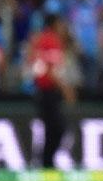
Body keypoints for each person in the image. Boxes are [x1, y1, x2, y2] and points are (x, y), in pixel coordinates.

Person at [27, 13, 76, 168]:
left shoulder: (40, 40)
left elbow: (35, 62)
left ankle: (45, 162)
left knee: (50, 129)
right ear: (55, 24)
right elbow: (50, 69)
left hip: (42, 91)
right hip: (48, 91)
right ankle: (46, 162)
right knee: (58, 128)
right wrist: (65, 88)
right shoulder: (51, 40)